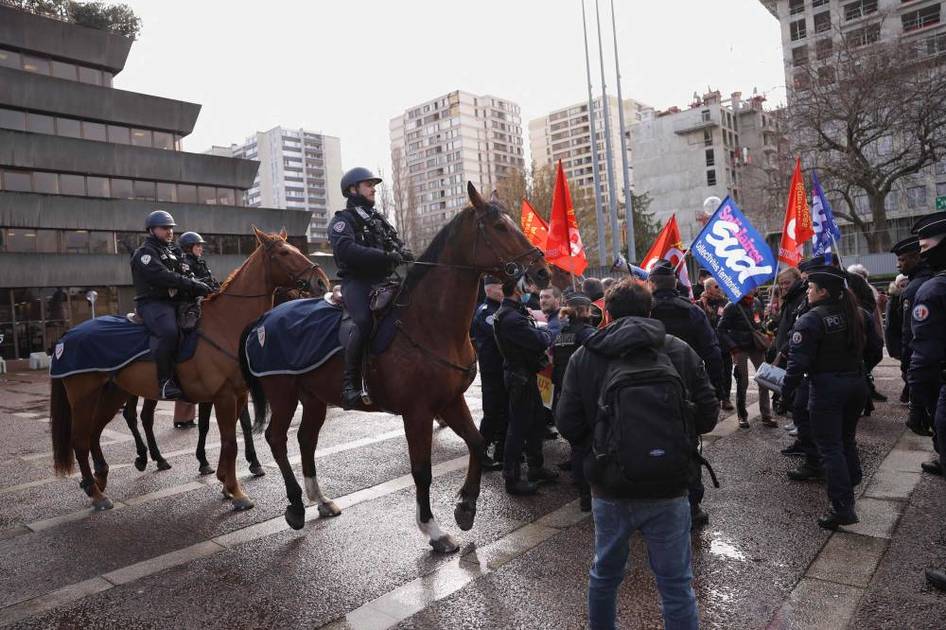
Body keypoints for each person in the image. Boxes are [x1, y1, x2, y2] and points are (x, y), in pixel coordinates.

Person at [555, 278, 718, 630]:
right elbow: (708, 413)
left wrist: (603, 446)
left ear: (607, 314)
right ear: (649, 310)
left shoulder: (587, 355)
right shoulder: (678, 350)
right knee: (675, 584)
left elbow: (567, 421)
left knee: (605, 576)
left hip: (610, 485)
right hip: (670, 484)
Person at [782, 266, 882, 529]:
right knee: (846, 439)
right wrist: (859, 372)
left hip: (827, 388)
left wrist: (786, 392)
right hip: (855, 384)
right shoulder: (859, 314)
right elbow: (875, 350)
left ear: (823, 291)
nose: (809, 292)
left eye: (812, 288)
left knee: (830, 448)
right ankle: (852, 476)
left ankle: (842, 507)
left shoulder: (811, 319)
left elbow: (797, 364)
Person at [329, 167, 413, 409]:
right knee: (364, 321)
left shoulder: (377, 218)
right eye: (368, 185)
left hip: (385, 280)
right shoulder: (342, 221)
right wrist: (386, 256)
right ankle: (350, 386)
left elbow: (394, 242)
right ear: (352, 189)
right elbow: (346, 250)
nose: (373, 188)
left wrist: (403, 251)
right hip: (357, 282)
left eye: (373, 185)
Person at [648, 260, 722, 530]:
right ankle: (691, 505)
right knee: (688, 445)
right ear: (676, 284)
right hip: (688, 386)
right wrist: (716, 388)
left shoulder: (645, 311)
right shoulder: (693, 311)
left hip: (650, 387)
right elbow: (711, 349)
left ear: (652, 284)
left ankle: (655, 504)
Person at [131, 210, 213, 400]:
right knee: (169, 332)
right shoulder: (145, 253)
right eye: (164, 228)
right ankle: (165, 382)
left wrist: (205, 287)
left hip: (175, 302)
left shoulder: (173, 251)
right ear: (152, 230)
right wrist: (194, 285)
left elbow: (186, 273)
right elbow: (163, 277)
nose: (169, 232)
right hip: (153, 303)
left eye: (171, 228)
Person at [493, 277, 558, 495]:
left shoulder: (515, 312)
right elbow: (539, 341)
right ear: (517, 289)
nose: (531, 288)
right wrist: (550, 331)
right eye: (526, 285)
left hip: (525, 374)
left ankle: (535, 467)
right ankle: (512, 478)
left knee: (536, 421)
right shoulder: (510, 317)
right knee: (518, 427)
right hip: (518, 376)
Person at [908, 213, 946, 478]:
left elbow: (924, 350)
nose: (922, 255)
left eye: (925, 248)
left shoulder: (933, 290)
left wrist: (917, 403)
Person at [551, 292, 597, 511]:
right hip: (584, 392)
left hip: (565, 391)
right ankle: (588, 493)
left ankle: (581, 487)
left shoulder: (562, 333)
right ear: (584, 310)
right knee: (587, 445)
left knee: (578, 443)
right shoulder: (587, 332)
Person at [890, 236, 936, 442]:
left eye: (903, 259)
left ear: (917, 258)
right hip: (932, 356)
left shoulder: (915, 288)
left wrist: (907, 364)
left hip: (923, 359)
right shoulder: (928, 281)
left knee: (932, 409)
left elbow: (909, 332)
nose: (899, 264)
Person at [717, 288, 773, 428]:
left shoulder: (756, 302)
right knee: (742, 383)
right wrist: (733, 347)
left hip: (756, 346)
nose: (753, 289)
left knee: (764, 381)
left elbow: (759, 322)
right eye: (750, 286)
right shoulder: (732, 306)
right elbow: (721, 329)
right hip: (739, 348)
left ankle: (766, 415)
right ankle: (742, 415)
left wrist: (766, 330)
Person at [470, 275, 508, 472]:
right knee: (492, 412)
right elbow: (500, 332)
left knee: (503, 411)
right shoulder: (486, 311)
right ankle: (480, 452)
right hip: (492, 369)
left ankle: (501, 451)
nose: (503, 291)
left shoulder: (500, 309)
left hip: (501, 367)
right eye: (500, 287)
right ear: (489, 289)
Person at [698, 277, 734, 412]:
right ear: (708, 289)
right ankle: (714, 397)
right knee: (712, 372)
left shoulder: (725, 303)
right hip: (709, 344)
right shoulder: (701, 304)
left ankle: (726, 398)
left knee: (727, 371)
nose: (720, 289)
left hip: (724, 343)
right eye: (716, 286)